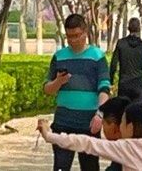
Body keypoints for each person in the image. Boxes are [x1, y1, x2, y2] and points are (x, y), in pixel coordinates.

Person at [44, 14, 115, 171]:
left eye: (76, 35)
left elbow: (104, 88)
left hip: (88, 124)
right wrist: (58, 82)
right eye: (69, 36)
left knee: (90, 167)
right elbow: (47, 89)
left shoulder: (97, 57)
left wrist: (100, 114)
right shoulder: (59, 57)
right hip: (63, 123)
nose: (73, 40)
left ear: (85, 32)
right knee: (61, 167)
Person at [48, 98, 142, 171]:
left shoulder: (127, 147)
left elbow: (87, 143)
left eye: (122, 122)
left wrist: (49, 136)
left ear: (129, 127)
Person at [112, 19, 142, 105]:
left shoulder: (121, 44)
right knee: (137, 115)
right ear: (139, 29)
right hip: (138, 86)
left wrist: (110, 82)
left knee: (123, 114)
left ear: (128, 28)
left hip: (124, 85)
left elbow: (113, 64)